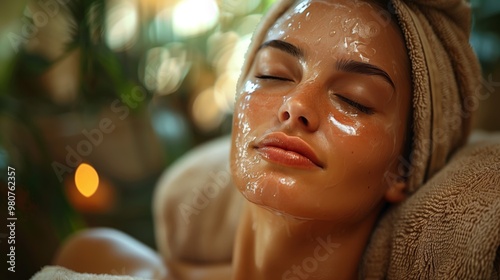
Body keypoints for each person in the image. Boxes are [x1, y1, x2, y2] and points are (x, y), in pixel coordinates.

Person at [43, 0, 484, 279]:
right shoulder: (93, 259)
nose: (296, 106)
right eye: (273, 74)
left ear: (405, 166)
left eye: (355, 100)